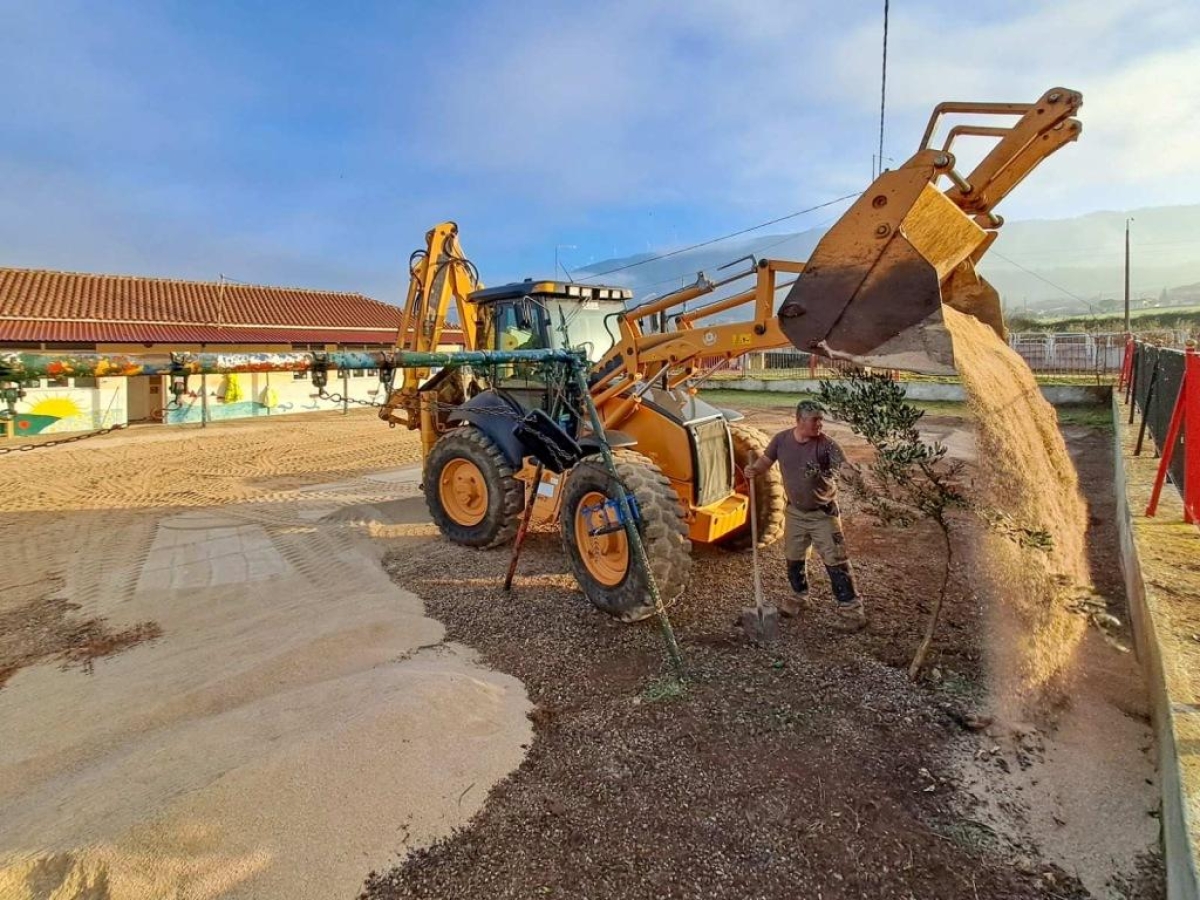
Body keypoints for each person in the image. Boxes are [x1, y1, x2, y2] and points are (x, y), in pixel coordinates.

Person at [745, 399, 866, 630]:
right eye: (815, 420)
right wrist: (754, 470)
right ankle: (799, 596)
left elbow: (845, 469)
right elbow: (765, 462)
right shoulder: (781, 440)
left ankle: (852, 611)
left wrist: (853, 475)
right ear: (799, 420)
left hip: (823, 514)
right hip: (795, 513)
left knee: (836, 560)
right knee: (794, 556)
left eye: (821, 419)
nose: (820, 424)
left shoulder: (828, 445)